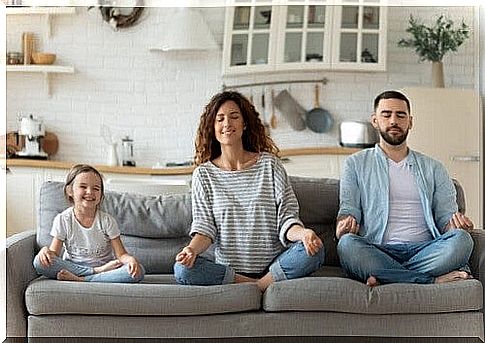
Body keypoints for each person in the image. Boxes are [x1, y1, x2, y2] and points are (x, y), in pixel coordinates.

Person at [173, 91, 325, 291]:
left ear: (244, 124)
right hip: (229, 270)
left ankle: (261, 283)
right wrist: (191, 250)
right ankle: (258, 286)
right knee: (183, 270)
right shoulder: (203, 175)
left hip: (275, 264)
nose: (227, 123)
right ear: (213, 127)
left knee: (315, 251)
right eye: (220, 119)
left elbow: (287, 219)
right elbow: (205, 229)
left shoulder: (270, 165)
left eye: (234, 117)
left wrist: (304, 234)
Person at [336, 90, 474, 287]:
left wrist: (457, 226)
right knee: (348, 245)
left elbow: (446, 218)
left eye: (401, 115)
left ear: (410, 122)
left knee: (462, 240)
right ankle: (430, 280)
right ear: (375, 120)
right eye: (386, 114)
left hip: (425, 250)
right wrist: (343, 226)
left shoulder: (434, 168)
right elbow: (348, 210)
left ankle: (387, 276)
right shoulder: (355, 164)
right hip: (378, 249)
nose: (394, 120)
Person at [33, 164, 145, 283]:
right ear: (70, 190)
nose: (90, 192)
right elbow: (54, 254)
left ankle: (83, 279)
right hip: (79, 268)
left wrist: (131, 260)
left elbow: (121, 255)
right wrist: (45, 251)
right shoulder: (63, 219)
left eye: (96, 188)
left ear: (101, 194)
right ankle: (95, 273)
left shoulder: (107, 221)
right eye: (83, 186)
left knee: (138, 271)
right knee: (39, 262)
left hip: (105, 270)